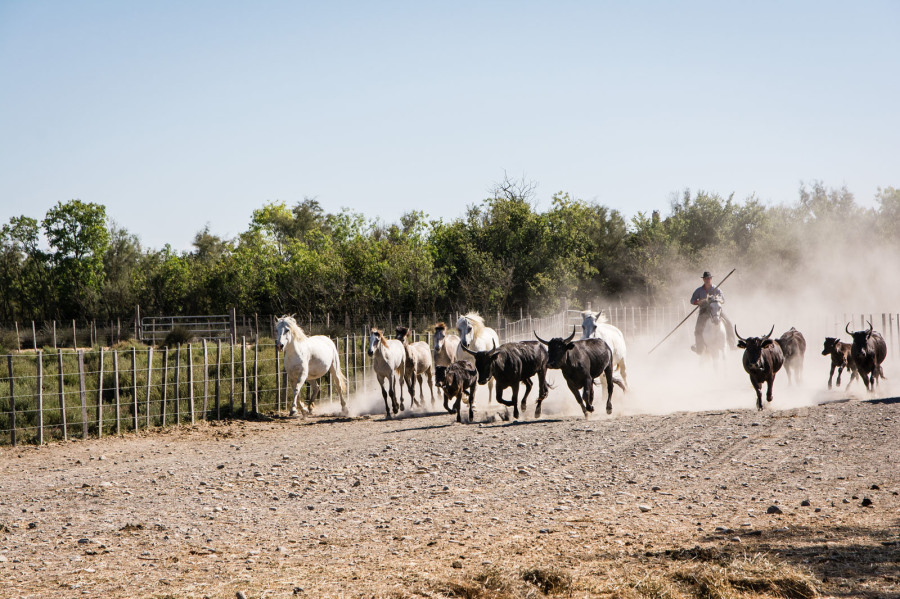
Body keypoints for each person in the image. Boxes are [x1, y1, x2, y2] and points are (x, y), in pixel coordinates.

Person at [691, 271, 736, 353]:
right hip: (704, 312)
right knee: (698, 329)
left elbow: (723, 300)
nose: (707, 280)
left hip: (716, 311)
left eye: (709, 278)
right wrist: (698, 302)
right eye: (705, 278)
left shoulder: (717, 289)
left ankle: (732, 344)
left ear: (711, 279)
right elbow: (692, 301)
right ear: (703, 279)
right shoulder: (699, 290)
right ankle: (699, 347)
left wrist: (716, 300)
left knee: (729, 323)